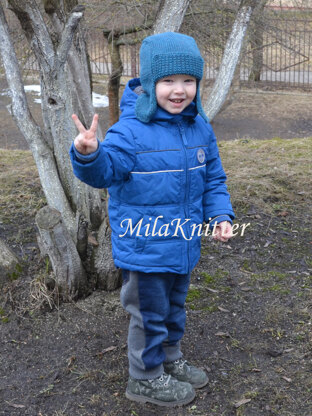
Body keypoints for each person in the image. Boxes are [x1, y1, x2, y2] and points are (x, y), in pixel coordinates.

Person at [70, 32, 235, 407]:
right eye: (168, 81)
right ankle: (144, 378)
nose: (179, 91)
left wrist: (221, 214)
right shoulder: (130, 131)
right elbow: (104, 172)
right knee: (149, 315)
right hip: (145, 250)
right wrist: (89, 154)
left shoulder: (199, 127)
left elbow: (213, 179)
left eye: (188, 81)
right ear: (149, 83)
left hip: (183, 244)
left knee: (176, 309)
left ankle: (170, 360)